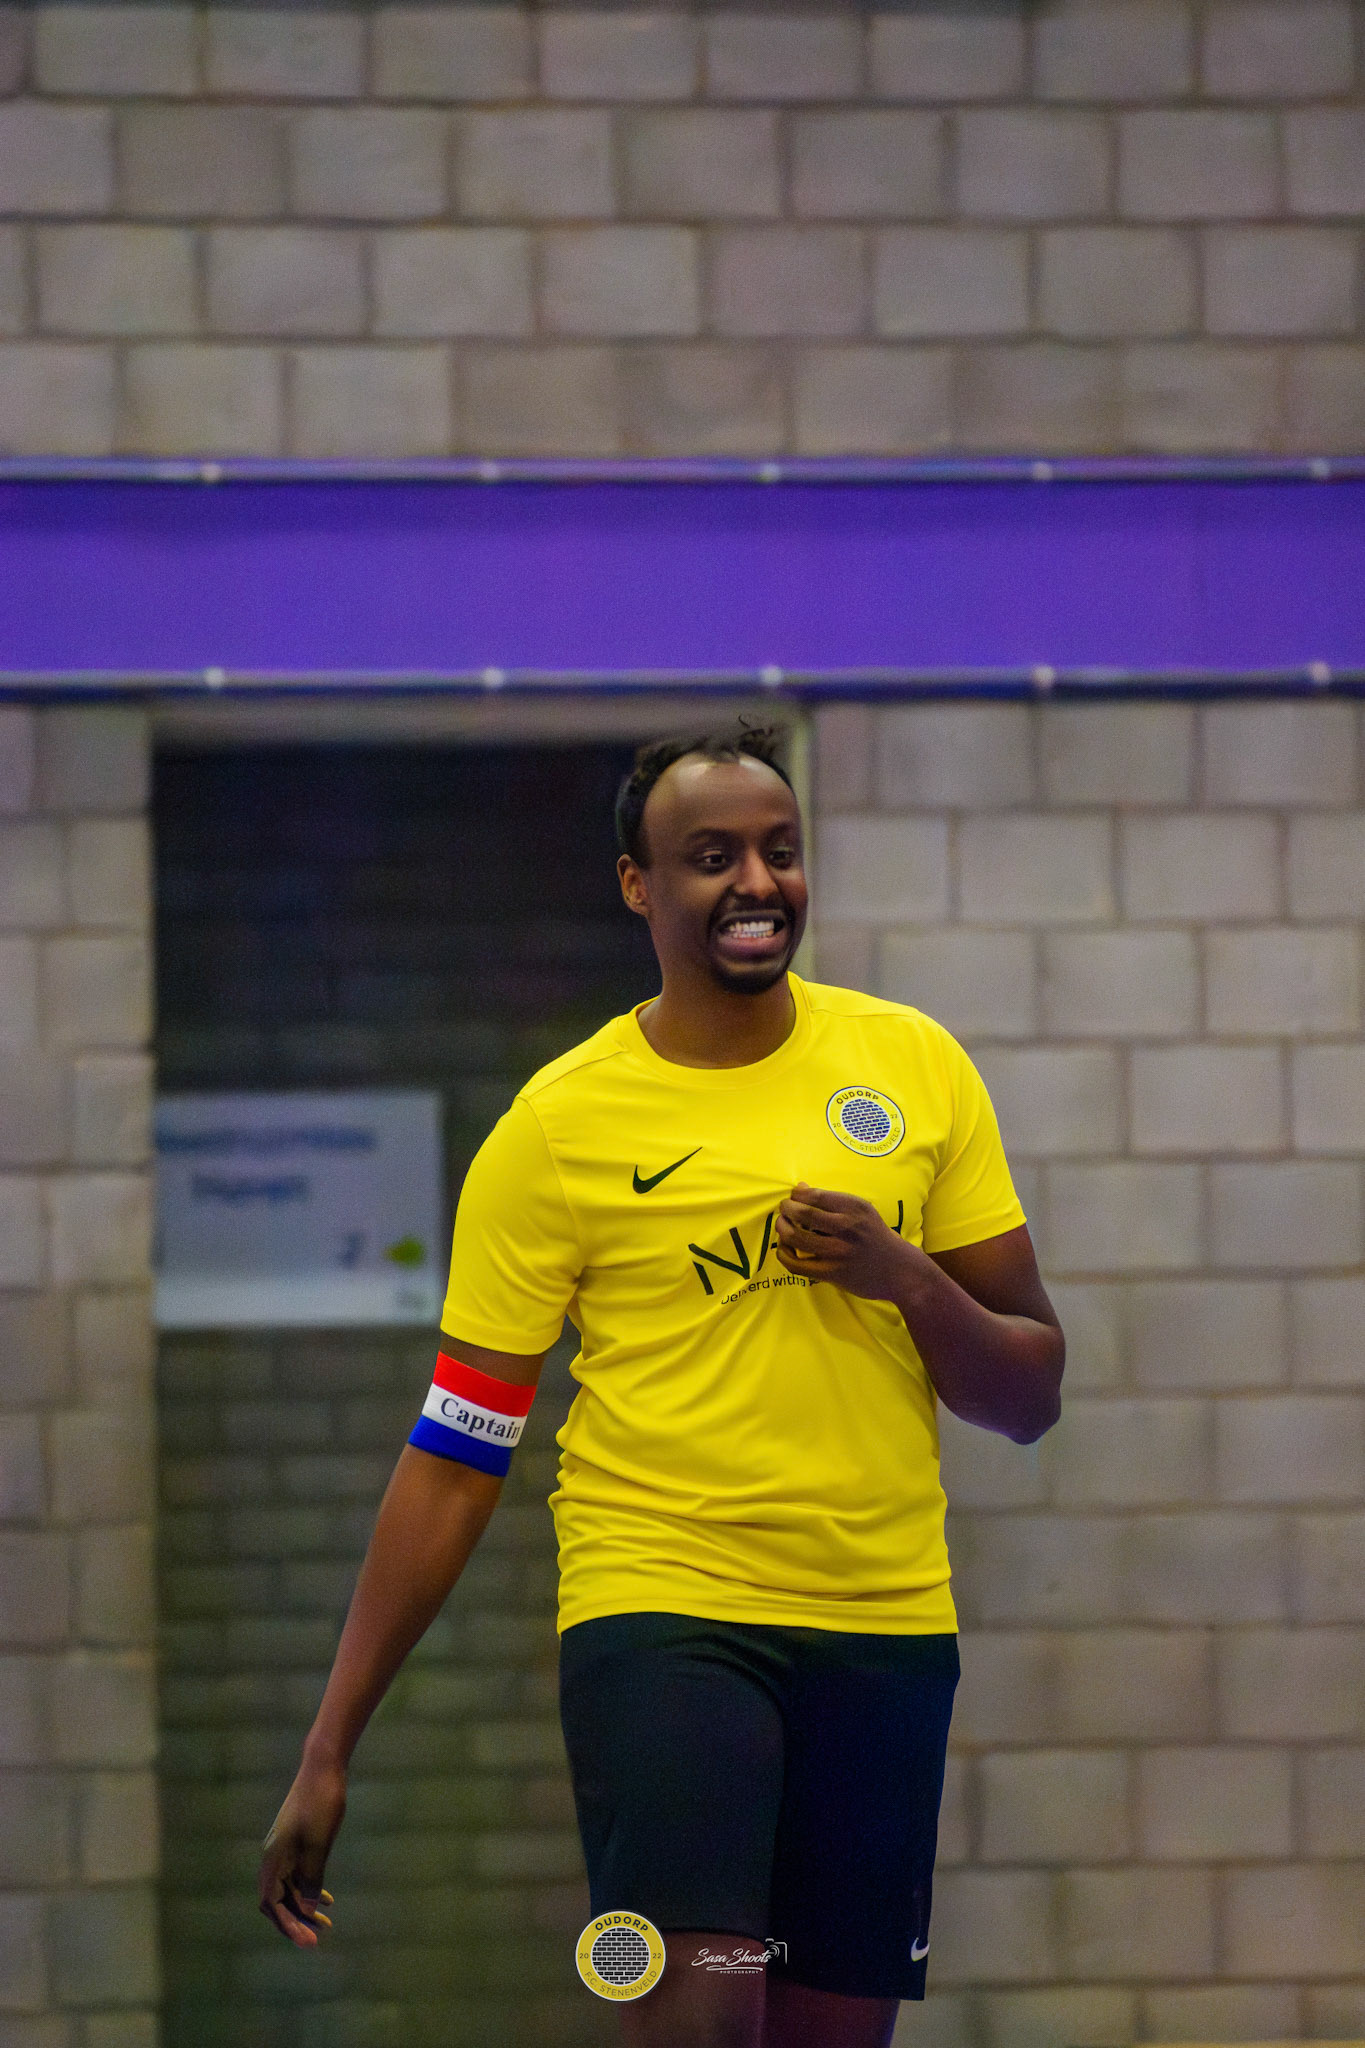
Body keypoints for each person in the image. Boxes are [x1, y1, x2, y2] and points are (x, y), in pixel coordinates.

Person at [258, 727, 1064, 2048]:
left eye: (780, 851)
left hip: (882, 1626)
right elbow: (457, 1453)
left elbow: (1028, 1393)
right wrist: (329, 1743)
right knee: (702, 2012)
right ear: (639, 886)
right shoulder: (558, 1128)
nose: (756, 882)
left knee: (827, 2033)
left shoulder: (912, 1065)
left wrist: (904, 1278)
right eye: (711, 857)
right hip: (663, 1619)